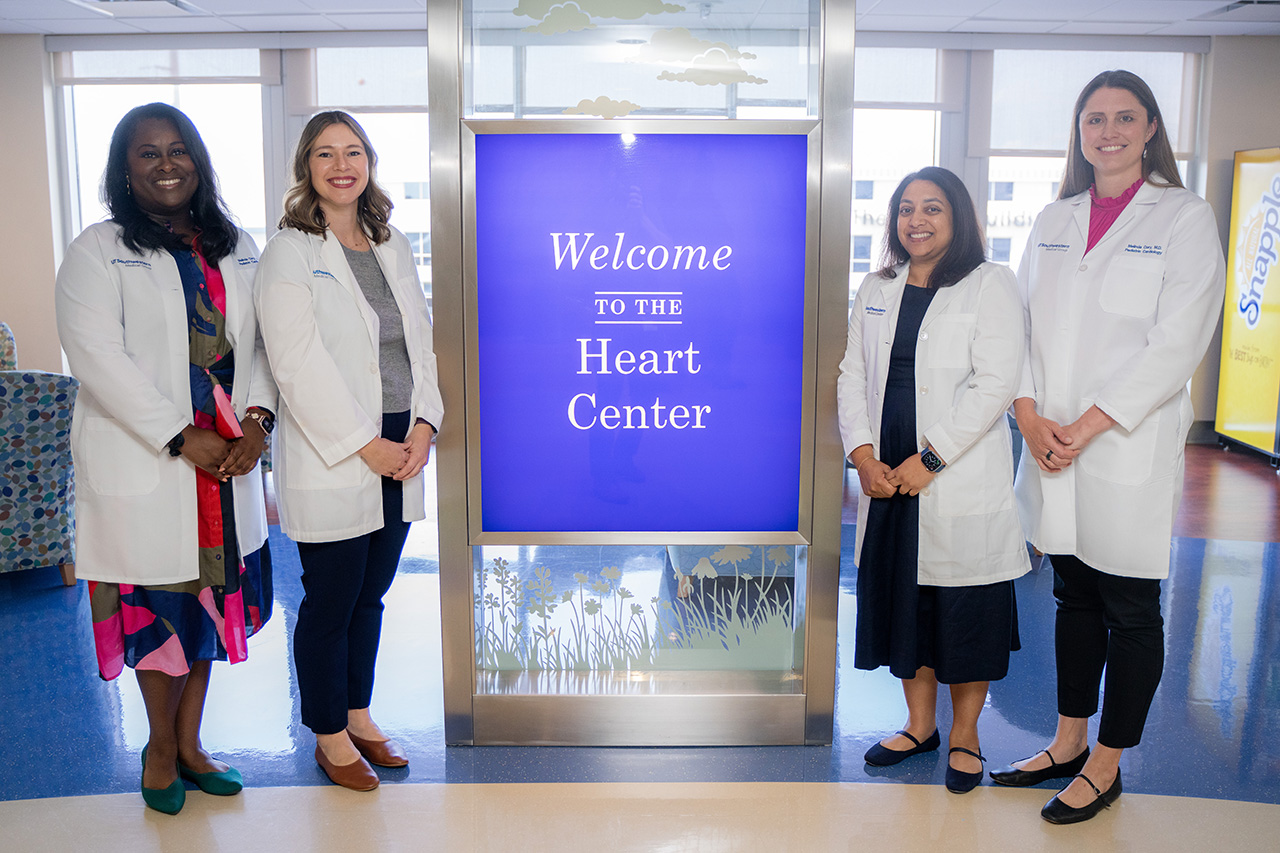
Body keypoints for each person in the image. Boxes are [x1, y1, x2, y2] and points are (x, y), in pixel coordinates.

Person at [989, 70, 1226, 825]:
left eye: (1126, 117)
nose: (1109, 130)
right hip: (1051, 441)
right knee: (1071, 594)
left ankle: (1107, 760)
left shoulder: (1185, 217)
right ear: (1079, 131)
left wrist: (1085, 427)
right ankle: (1066, 739)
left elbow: (1176, 342)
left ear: (1152, 128)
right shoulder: (1054, 218)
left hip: (1120, 445)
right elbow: (1017, 326)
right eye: (1095, 118)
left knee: (1129, 604)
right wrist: (1027, 415)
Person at [54, 103, 277, 815]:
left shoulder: (234, 243)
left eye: (178, 150)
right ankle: (157, 748)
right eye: (147, 153)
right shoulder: (97, 248)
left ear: (198, 159)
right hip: (154, 458)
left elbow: (264, 342)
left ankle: (191, 744)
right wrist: (182, 436)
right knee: (162, 606)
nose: (166, 163)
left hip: (229, 459)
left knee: (209, 601)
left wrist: (257, 419)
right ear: (125, 168)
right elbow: (97, 357)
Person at [256, 111, 444, 792]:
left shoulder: (387, 243)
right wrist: (367, 446)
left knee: (373, 595)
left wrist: (424, 424)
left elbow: (418, 343)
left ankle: (359, 714)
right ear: (306, 167)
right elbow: (296, 364)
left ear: (368, 162)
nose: (343, 165)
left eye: (354, 151)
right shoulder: (289, 251)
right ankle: (329, 734)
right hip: (343, 450)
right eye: (327, 153)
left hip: (401, 445)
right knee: (332, 598)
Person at [837, 166, 1030, 794]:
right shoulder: (877, 284)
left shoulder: (988, 284)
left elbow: (995, 382)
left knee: (963, 607)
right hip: (886, 467)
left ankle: (965, 735)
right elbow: (851, 375)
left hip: (950, 467)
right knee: (906, 604)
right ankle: (919, 725)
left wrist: (931, 460)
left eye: (933, 208)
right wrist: (864, 456)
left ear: (960, 217)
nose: (916, 220)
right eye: (905, 209)